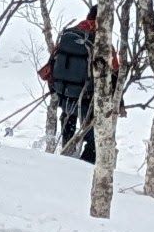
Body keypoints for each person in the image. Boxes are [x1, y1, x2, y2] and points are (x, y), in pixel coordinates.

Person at [41, 9, 115, 159]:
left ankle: (66, 154)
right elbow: (114, 70)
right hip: (87, 97)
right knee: (92, 136)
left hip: (64, 92)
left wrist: (54, 88)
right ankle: (85, 165)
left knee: (68, 118)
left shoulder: (70, 34)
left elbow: (52, 62)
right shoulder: (100, 40)